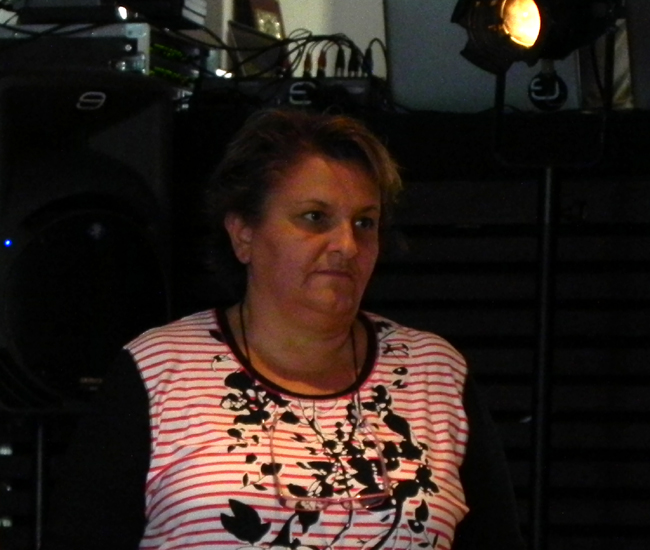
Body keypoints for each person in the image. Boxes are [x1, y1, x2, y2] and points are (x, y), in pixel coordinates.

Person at [42, 108, 526, 550]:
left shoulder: (433, 372)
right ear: (243, 233)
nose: (347, 245)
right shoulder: (160, 370)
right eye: (315, 218)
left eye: (365, 223)